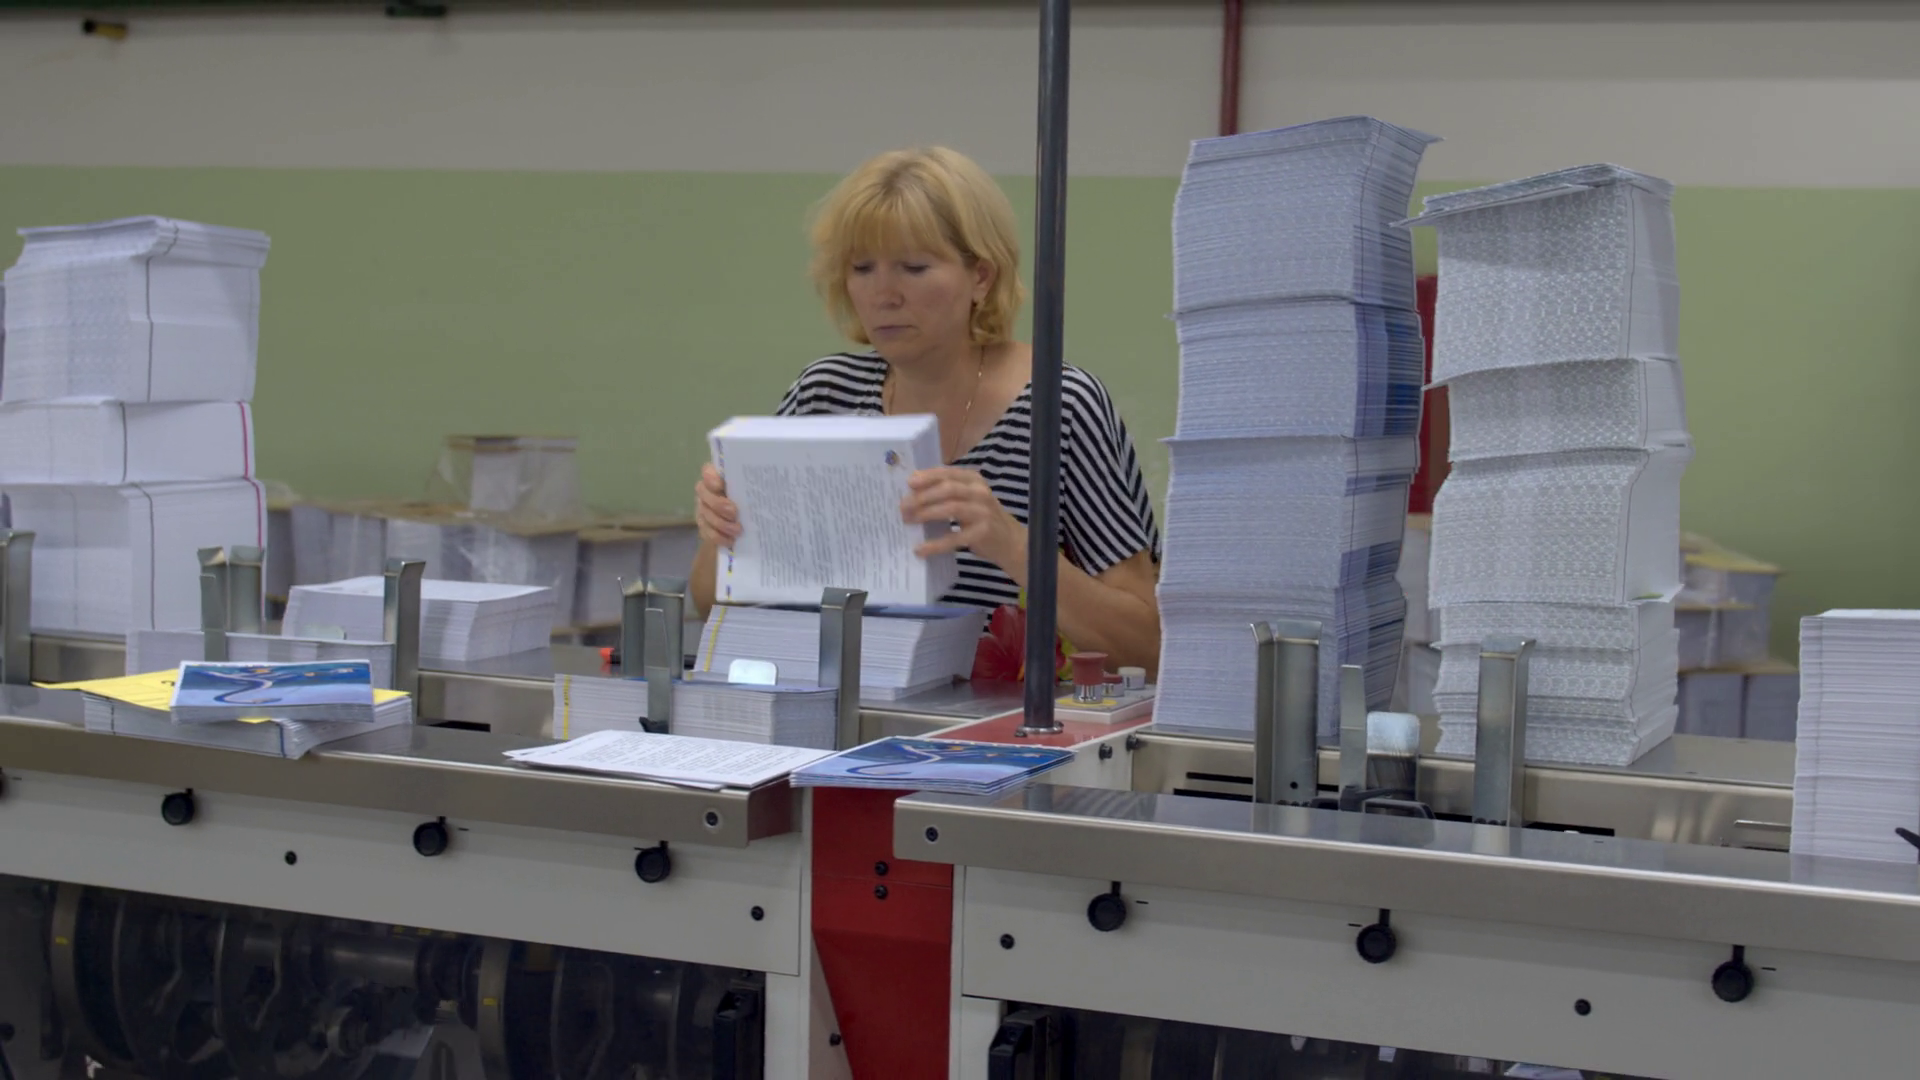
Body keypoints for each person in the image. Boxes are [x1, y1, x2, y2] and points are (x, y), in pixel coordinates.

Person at [690, 146, 1163, 676]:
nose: (883, 294)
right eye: (861, 268)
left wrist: (1013, 545)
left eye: (914, 268)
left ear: (981, 277)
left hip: (1005, 722)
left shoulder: (1060, 406)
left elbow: (1148, 646)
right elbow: (712, 607)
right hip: (849, 712)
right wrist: (722, 531)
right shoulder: (824, 395)